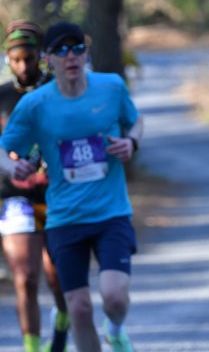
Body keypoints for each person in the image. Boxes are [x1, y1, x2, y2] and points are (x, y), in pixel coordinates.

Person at [0, 21, 143, 352]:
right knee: (75, 305)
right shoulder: (35, 105)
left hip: (111, 213)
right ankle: (39, 344)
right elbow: (4, 148)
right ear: (50, 58)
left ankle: (116, 329)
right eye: (62, 50)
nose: (71, 56)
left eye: (77, 48)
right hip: (63, 217)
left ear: (86, 53)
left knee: (114, 298)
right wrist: (12, 165)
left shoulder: (110, 87)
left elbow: (135, 120)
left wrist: (131, 142)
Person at [0, 20, 69, 352]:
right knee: (25, 278)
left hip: (59, 195)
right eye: (16, 59)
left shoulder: (60, 89)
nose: (23, 66)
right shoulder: (1, 97)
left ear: (41, 56)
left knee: (58, 277)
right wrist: (11, 165)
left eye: (29, 58)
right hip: (16, 196)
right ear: (7, 60)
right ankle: (31, 347)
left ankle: (62, 321)